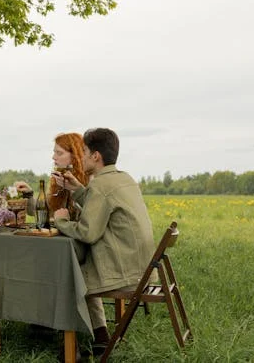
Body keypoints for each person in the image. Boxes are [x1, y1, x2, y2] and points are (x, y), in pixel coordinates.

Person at [52, 128, 155, 355]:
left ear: (96, 156)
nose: (83, 155)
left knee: (68, 276)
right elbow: (99, 202)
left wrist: (61, 222)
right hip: (142, 268)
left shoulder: (100, 184)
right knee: (76, 268)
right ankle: (100, 337)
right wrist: (78, 190)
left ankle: (69, 348)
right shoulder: (123, 178)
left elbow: (88, 232)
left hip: (124, 273)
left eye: (86, 151)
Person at [14, 132, 89, 217]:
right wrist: (29, 195)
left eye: (59, 153)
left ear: (75, 156)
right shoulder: (60, 181)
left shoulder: (91, 183)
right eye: (54, 152)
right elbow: (41, 210)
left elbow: (90, 219)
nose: (53, 157)